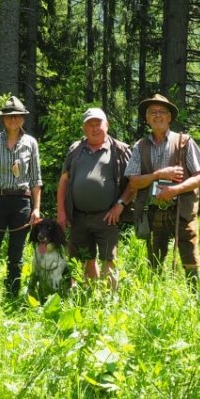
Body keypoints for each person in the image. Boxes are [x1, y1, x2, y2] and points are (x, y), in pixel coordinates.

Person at [125, 94, 200, 288]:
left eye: (162, 112)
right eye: (152, 112)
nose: (158, 116)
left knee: (189, 254)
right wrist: (158, 174)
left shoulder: (184, 142)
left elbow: (199, 178)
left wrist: (175, 190)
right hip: (153, 211)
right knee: (154, 257)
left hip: (182, 211)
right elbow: (134, 181)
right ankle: (156, 296)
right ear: (146, 119)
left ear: (170, 117)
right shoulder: (140, 146)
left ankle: (198, 297)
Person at [57, 107, 135, 288]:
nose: (94, 128)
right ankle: (90, 296)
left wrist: (120, 205)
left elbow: (134, 183)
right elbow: (63, 182)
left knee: (109, 258)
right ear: (84, 128)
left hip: (107, 216)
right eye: (89, 124)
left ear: (106, 125)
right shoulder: (75, 149)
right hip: (78, 216)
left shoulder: (120, 150)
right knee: (85, 259)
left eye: (98, 123)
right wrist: (61, 211)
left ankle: (108, 301)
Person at [0, 96, 42, 298]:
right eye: (9, 116)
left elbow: (35, 178)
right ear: (3, 119)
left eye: (17, 116)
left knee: (16, 252)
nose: (13, 120)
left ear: (23, 119)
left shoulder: (31, 143)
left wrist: (36, 208)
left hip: (21, 202)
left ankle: (13, 293)